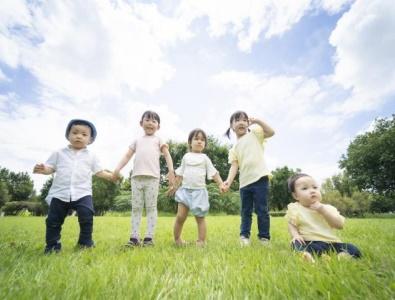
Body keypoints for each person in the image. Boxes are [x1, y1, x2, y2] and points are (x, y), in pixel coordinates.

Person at [33, 119, 114, 254]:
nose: (79, 136)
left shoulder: (92, 156)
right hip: (60, 193)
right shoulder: (59, 153)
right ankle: (53, 246)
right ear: (68, 135)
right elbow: (50, 168)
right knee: (53, 221)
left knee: (87, 216)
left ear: (90, 139)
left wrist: (111, 177)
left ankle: (85, 243)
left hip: (83, 193)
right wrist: (43, 169)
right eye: (75, 132)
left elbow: (99, 171)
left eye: (84, 134)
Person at [114, 110, 175, 247]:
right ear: (141, 123)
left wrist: (171, 171)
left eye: (154, 121)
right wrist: (118, 168)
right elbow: (127, 156)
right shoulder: (137, 140)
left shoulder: (159, 139)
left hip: (152, 178)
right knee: (136, 208)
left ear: (158, 126)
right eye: (147, 120)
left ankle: (148, 238)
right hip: (136, 178)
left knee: (151, 207)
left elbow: (167, 155)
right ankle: (134, 237)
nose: (150, 123)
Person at [223, 111, 275, 246]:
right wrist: (228, 181)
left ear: (248, 123)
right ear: (232, 125)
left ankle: (264, 238)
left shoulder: (255, 134)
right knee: (245, 211)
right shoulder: (233, 148)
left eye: (244, 120)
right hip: (245, 183)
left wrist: (257, 120)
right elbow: (234, 166)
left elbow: (271, 132)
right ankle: (244, 236)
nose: (241, 122)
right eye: (237, 120)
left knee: (262, 210)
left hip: (260, 178)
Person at [286, 173, 362, 262]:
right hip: (310, 243)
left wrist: (323, 211)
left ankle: (342, 256)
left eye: (315, 187)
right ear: (296, 196)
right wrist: (295, 235)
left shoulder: (328, 208)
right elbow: (291, 224)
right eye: (305, 188)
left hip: (331, 243)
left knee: (352, 248)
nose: (312, 191)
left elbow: (339, 225)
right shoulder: (295, 208)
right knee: (296, 243)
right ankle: (307, 256)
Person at [168, 129, 224, 247]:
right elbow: (180, 174)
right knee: (180, 216)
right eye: (196, 139)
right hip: (185, 192)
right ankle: (177, 239)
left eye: (202, 140)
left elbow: (214, 173)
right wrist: (174, 187)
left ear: (205, 144)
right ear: (190, 142)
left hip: (199, 192)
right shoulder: (186, 156)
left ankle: (201, 241)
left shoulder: (205, 158)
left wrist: (221, 184)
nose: (199, 141)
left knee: (200, 218)